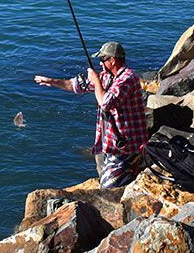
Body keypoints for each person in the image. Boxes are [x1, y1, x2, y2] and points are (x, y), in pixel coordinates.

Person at [33, 41, 148, 188]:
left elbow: (105, 103)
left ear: (112, 60)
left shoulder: (127, 78)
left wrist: (96, 80)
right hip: (110, 143)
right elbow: (76, 85)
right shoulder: (107, 76)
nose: (100, 64)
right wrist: (52, 81)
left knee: (109, 188)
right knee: (111, 181)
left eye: (102, 60)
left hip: (126, 146)